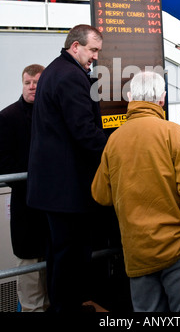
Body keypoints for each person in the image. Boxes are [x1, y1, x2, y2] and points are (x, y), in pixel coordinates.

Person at [92, 71, 180, 312]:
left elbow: (101, 194)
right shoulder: (175, 134)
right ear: (162, 99)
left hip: (137, 250)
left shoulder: (114, 140)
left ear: (130, 98)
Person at [27, 24, 108, 313]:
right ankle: (68, 308)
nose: (95, 57)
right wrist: (116, 150)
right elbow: (84, 132)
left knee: (59, 254)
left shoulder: (52, 71)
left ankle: (66, 305)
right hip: (67, 189)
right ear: (75, 46)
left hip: (53, 188)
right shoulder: (71, 77)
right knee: (71, 255)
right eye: (93, 50)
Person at [0, 64, 49, 312]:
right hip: (26, 207)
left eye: (37, 82)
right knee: (30, 276)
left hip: (51, 209)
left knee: (52, 274)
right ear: (22, 84)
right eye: (28, 82)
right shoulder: (7, 117)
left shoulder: (53, 115)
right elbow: (4, 164)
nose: (32, 87)